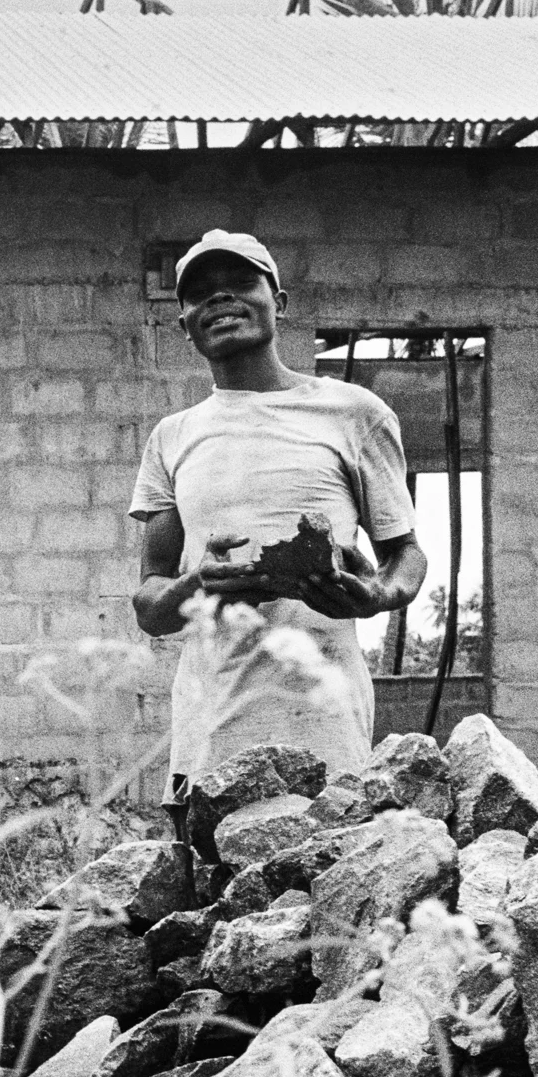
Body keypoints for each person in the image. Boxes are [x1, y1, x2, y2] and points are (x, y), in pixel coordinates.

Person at [131, 228, 425, 799]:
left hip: (323, 713)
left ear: (279, 304)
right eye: (200, 294)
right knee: (215, 877)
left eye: (241, 283)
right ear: (184, 324)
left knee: (328, 871)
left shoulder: (352, 413)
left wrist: (377, 595)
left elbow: (405, 554)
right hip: (212, 713)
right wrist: (197, 585)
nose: (221, 299)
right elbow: (149, 601)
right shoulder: (173, 437)